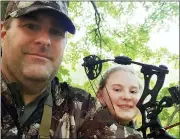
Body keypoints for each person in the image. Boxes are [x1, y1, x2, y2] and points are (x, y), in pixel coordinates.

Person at [1, 1, 142, 139]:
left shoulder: (80, 107)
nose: (45, 40)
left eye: (56, 32)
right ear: (3, 34)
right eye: (31, 26)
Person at [78, 65, 143, 138]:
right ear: (100, 96)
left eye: (133, 91)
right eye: (117, 90)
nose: (127, 97)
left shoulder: (138, 131)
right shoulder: (91, 128)